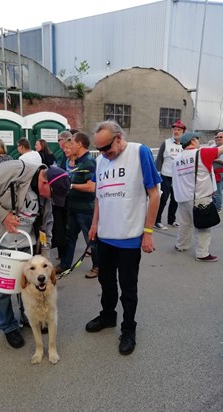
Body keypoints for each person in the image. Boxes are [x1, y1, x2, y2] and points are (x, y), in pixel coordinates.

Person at [0, 161, 70, 349]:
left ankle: (28, 317)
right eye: (52, 195)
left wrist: (45, 259)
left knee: (27, 285)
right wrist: (3, 215)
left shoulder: (46, 198)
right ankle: (9, 326)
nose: (51, 200)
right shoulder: (14, 170)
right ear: (45, 183)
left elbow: (47, 226)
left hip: (25, 246)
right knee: (0, 290)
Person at [86, 120, 161, 355]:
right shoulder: (100, 161)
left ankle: (129, 329)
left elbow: (154, 193)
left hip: (129, 237)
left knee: (128, 288)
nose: (103, 154)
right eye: (98, 150)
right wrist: (94, 224)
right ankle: (108, 316)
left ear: (118, 138)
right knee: (106, 282)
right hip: (105, 236)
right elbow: (100, 196)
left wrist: (148, 232)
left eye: (106, 148)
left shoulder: (140, 152)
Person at [172, 131, 223, 262]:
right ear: (193, 141)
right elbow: (220, 149)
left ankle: (181, 245)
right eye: (197, 139)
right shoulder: (201, 153)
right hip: (200, 196)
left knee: (185, 224)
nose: (199, 141)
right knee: (204, 227)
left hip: (182, 197)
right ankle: (202, 253)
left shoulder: (177, 159)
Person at [55, 132, 99, 278]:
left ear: (79, 144)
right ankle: (65, 264)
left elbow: (91, 187)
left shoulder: (88, 162)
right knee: (70, 237)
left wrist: (71, 185)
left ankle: (98, 267)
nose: (69, 145)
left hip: (85, 210)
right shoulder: (79, 161)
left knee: (91, 240)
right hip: (73, 207)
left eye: (72, 143)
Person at [154, 119, 186, 230]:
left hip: (178, 178)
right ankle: (157, 220)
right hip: (165, 176)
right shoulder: (166, 143)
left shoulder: (184, 145)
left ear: (183, 132)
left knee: (175, 199)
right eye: (174, 129)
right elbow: (159, 159)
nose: (176, 131)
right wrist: (157, 174)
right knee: (163, 199)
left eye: (179, 130)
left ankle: (171, 220)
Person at [212, 131, 223, 212]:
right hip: (213, 173)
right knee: (213, 190)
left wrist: (218, 160)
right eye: (217, 137)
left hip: (220, 173)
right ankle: (215, 205)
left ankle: (218, 208)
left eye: (220, 137)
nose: (218, 138)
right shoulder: (213, 147)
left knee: (218, 191)